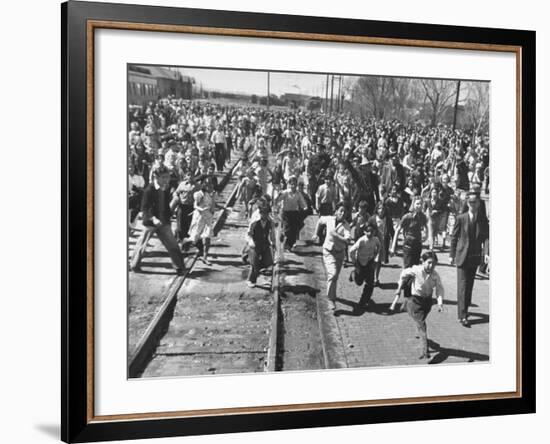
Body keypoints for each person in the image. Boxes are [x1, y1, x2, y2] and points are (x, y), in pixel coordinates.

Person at [130, 166, 185, 275]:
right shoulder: (149, 190)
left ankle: (180, 267)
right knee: (142, 245)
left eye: (167, 177)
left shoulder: (165, 188)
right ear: (157, 177)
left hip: (163, 222)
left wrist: (169, 216)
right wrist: (153, 218)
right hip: (151, 223)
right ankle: (134, 265)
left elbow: (165, 205)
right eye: (164, 177)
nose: (166, 180)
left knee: (173, 245)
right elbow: (144, 208)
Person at [392, 251, 445, 359]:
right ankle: (425, 351)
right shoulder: (416, 270)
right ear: (423, 261)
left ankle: (406, 305)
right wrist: (399, 287)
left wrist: (440, 303)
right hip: (416, 301)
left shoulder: (435, 275)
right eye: (429, 263)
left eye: (434, 264)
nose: (431, 266)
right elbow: (403, 274)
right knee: (422, 325)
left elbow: (439, 289)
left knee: (421, 320)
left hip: (427, 302)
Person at [449, 191, 489, 327]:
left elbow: (487, 238)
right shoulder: (461, 218)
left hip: (475, 256)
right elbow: (454, 237)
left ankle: (465, 309)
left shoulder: (483, 219)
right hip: (462, 256)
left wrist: (487, 253)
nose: (473, 205)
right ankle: (462, 315)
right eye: (470, 202)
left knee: (469, 286)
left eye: (475, 202)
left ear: (479, 203)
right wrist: (451, 254)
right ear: (467, 203)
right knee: (462, 286)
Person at [390, 197, 429, 308]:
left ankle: (411, 296)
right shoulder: (407, 217)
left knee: (415, 270)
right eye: (417, 204)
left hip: (417, 246)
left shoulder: (422, 217)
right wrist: (393, 246)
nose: (419, 206)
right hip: (408, 246)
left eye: (421, 204)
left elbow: (426, 226)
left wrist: (426, 236)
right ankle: (404, 296)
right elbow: (397, 230)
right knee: (407, 270)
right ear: (413, 204)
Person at [316, 204, 351, 311]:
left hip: (339, 253)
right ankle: (331, 300)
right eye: (341, 211)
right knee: (333, 273)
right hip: (328, 251)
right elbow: (320, 221)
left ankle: (331, 294)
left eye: (345, 212)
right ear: (336, 212)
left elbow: (347, 240)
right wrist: (316, 234)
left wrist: (336, 236)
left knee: (335, 277)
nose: (342, 214)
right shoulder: (329, 219)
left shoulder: (346, 225)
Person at [349, 223, 380, 310]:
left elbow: (379, 246)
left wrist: (375, 256)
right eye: (368, 231)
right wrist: (354, 262)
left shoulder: (376, 239)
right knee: (359, 282)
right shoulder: (361, 241)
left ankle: (363, 301)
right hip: (360, 263)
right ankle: (353, 274)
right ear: (364, 232)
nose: (370, 233)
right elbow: (351, 250)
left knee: (370, 283)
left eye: (372, 232)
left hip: (369, 262)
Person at [187, 177, 217, 265]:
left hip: (208, 217)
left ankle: (205, 257)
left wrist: (214, 200)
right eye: (208, 185)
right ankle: (184, 244)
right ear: (205, 185)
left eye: (211, 185)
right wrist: (201, 209)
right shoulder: (199, 194)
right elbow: (195, 205)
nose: (210, 187)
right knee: (194, 238)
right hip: (199, 217)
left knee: (207, 237)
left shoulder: (212, 194)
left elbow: (212, 206)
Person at [245, 201, 276, 288]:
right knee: (254, 263)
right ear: (260, 213)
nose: (265, 215)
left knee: (269, 261)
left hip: (265, 243)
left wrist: (274, 244)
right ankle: (250, 280)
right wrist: (251, 242)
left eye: (267, 213)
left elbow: (272, 234)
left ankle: (260, 271)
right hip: (255, 244)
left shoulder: (271, 222)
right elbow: (248, 234)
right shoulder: (255, 222)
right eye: (263, 213)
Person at [275, 175, 307, 251]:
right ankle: (283, 242)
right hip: (286, 213)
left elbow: (303, 203)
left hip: (294, 213)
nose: (293, 186)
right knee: (287, 229)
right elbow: (277, 200)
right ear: (289, 184)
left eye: (295, 184)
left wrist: (304, 208)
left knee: (294, 229)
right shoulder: (286, 192)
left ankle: (290, 244)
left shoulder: (298, 193)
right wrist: (278, 196)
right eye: (291, 184)